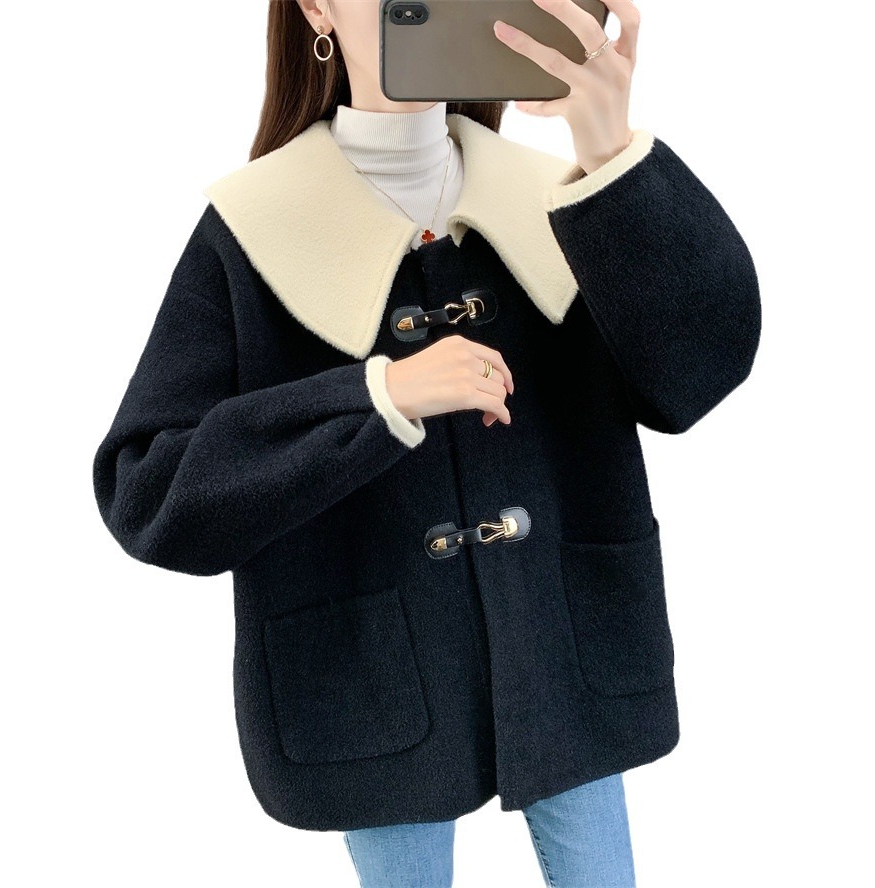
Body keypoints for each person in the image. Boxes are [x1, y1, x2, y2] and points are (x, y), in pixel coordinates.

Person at [92, 1, 761, 886]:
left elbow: (699, 377)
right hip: (367, 680)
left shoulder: (559, 200)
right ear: (317, 7)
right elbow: (148, 491)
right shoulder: (253, 229)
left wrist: (610, 151)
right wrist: (378, 396)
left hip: (569, 650)